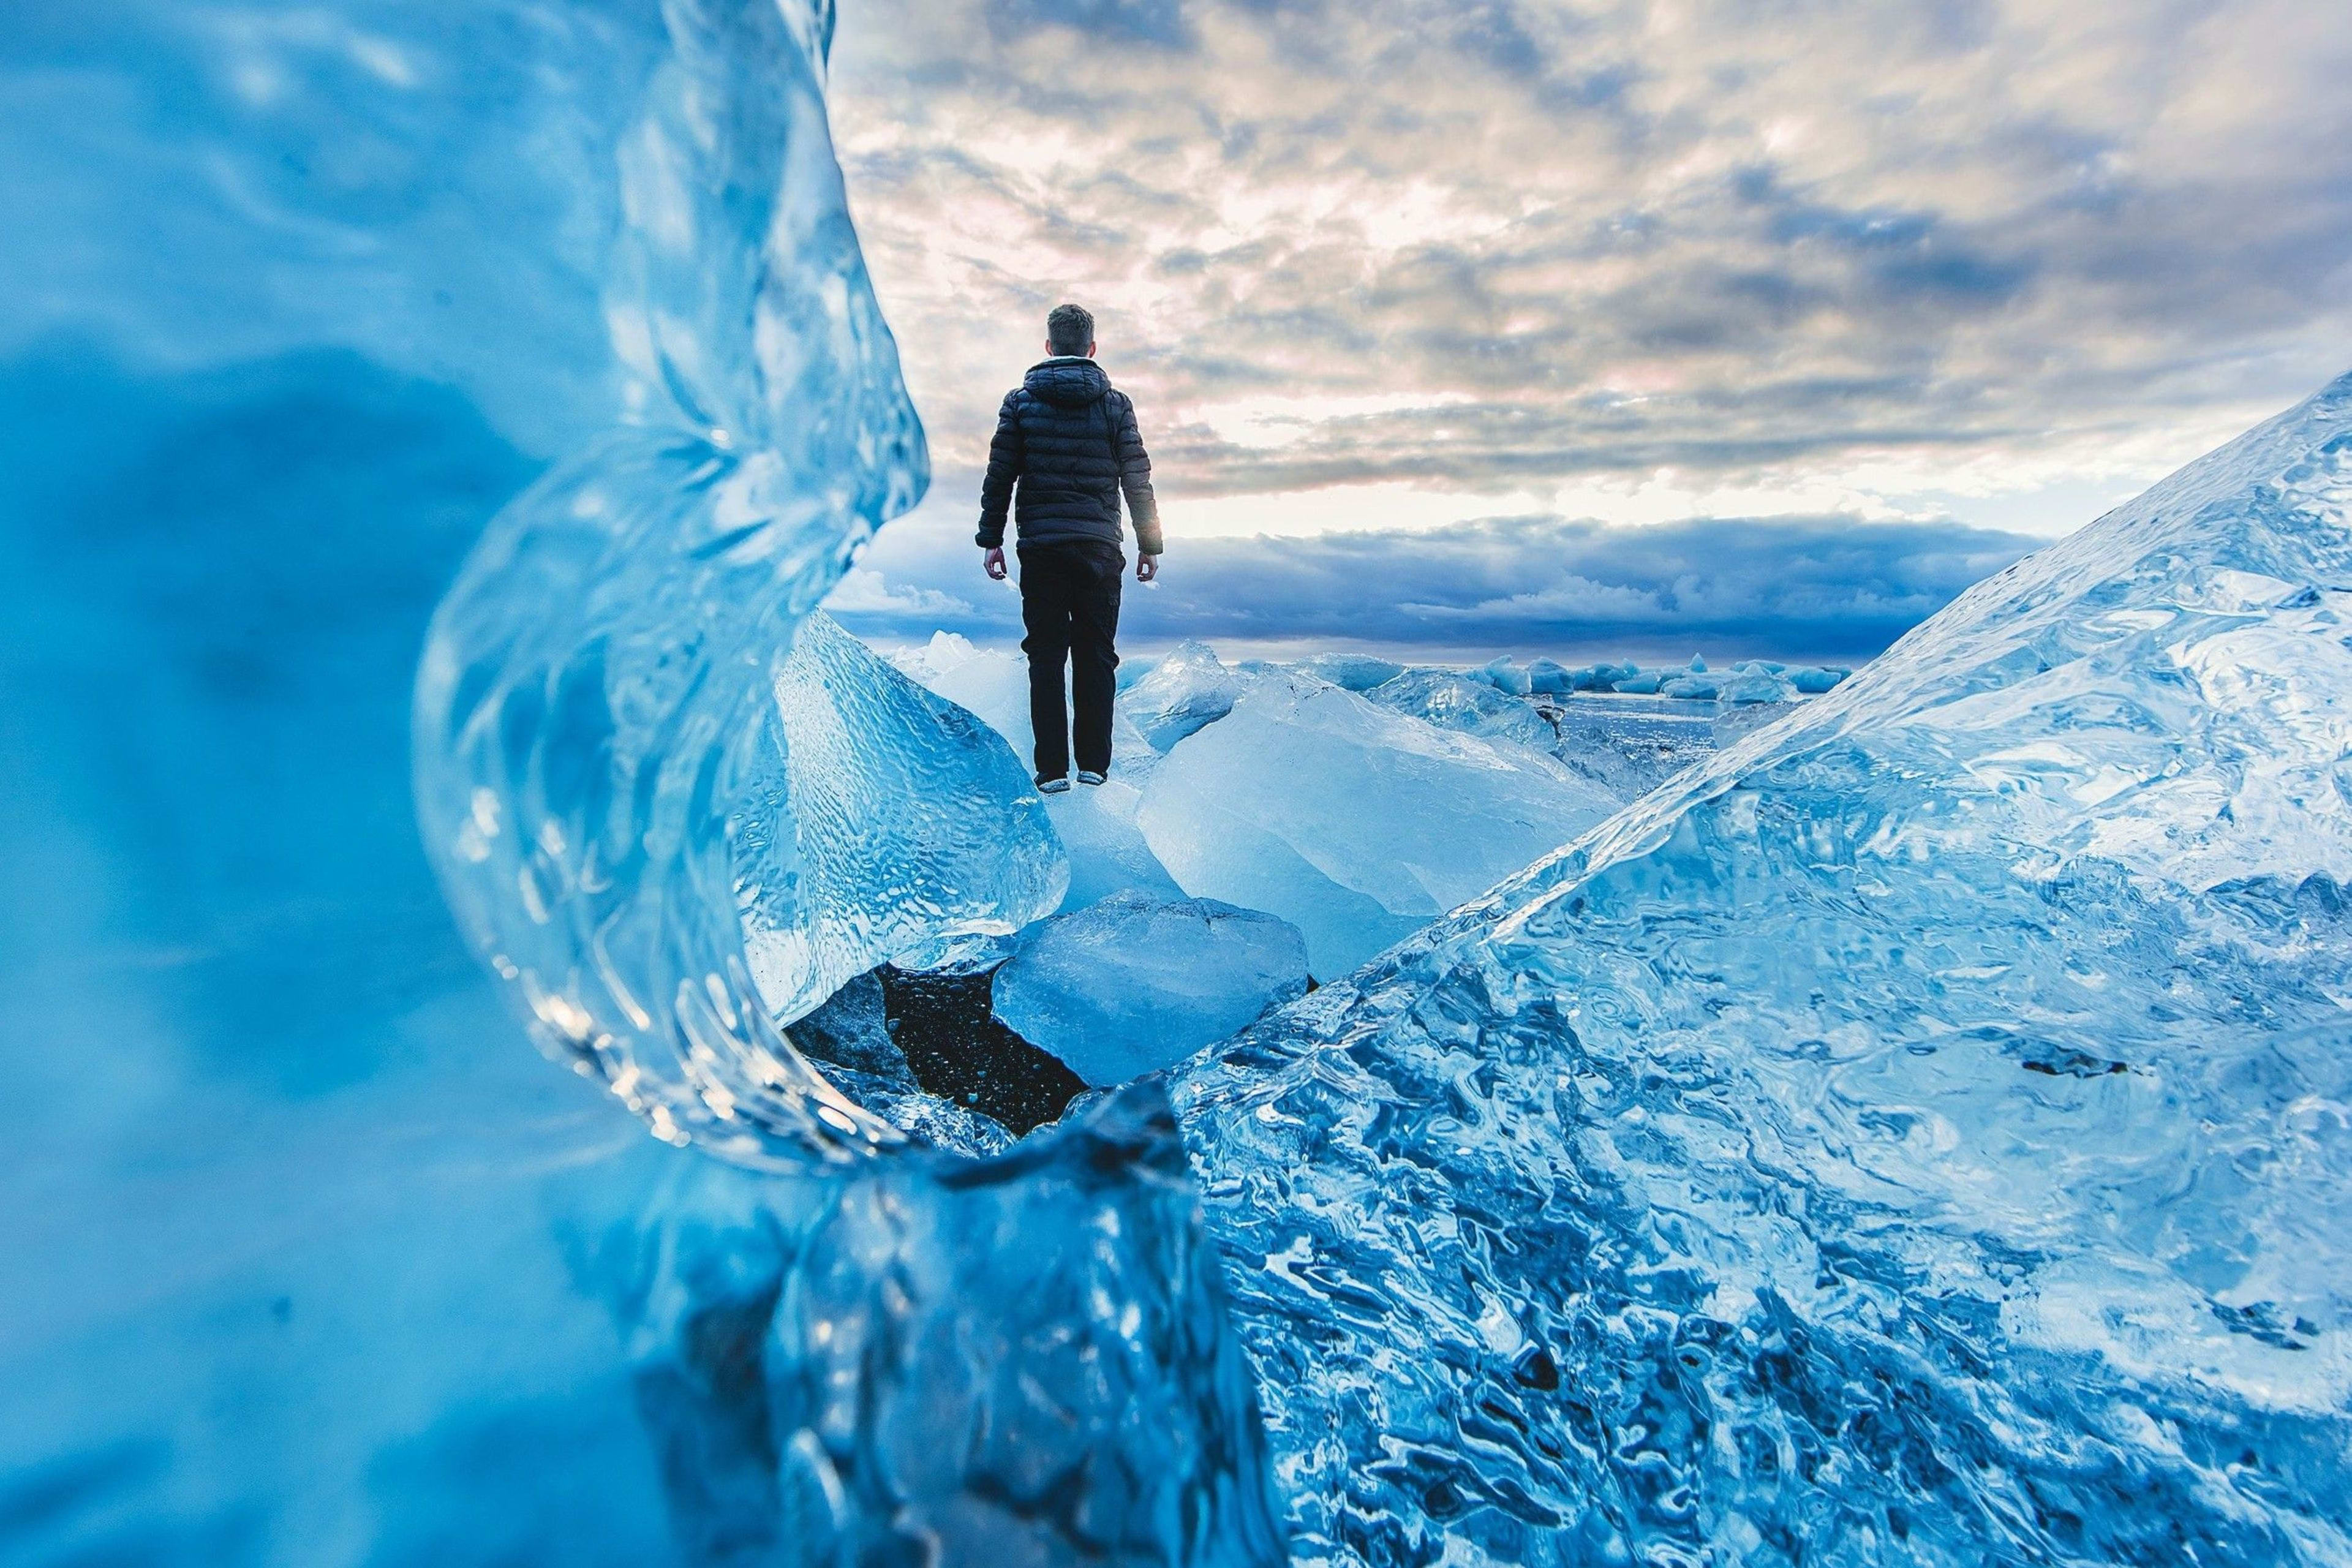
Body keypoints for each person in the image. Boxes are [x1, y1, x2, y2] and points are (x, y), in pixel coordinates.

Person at [976, 302, 1163, 793]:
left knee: (1046, 656)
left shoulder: (1020, 403)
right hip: (1100, 548)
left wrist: (991, 539)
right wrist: (1150, 544)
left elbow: (1001, 477)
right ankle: (1094, 766)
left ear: (1049, 347)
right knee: (1097, 655)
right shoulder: (1115, 405)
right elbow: (1136, 478)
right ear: (1092, 348)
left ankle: (1052, 770)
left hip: (1041, 547)